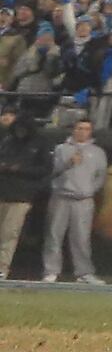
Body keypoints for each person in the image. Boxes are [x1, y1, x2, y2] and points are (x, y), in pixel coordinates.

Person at [41, 115, 104, 283]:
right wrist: (68, 163)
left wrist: (89, 191)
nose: (83, 132)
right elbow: (51, 171)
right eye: (79, 128)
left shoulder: (98, 152)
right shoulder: (61, 149)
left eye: (86, 129)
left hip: (84, 200)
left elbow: (100, 177)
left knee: (81, 238)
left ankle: (84, 272)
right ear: (74, 130)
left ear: (91, 132)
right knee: (54, 235)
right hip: (61, 197)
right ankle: (51, 271)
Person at [0, 100, 40, 281]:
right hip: (2, 192)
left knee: (9, 234)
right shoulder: (7, 142)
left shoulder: (39, 144)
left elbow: (44, 170)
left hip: (21, 197)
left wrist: (20, 169)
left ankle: (2, 268)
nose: (20, 130)